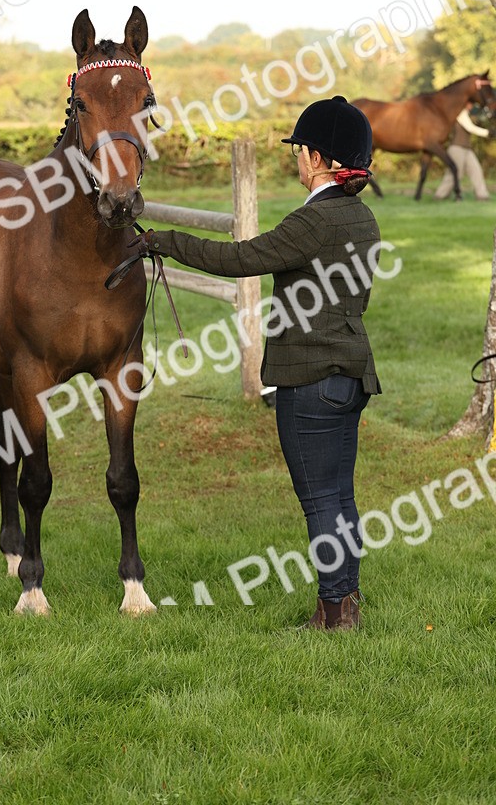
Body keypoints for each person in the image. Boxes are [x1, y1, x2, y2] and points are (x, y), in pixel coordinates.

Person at [145, 96, 381, 631]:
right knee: (341, 496)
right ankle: (345, 603)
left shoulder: (314, 220)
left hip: (309, 381)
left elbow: (240, 259)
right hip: (351, 375)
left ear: (319, 159)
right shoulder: (362, 217)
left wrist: (165, 241)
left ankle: (334, 613)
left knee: (321, 501)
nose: (297, 159)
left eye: (301, 150)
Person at [434, 103, 490, 201]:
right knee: (455, 174)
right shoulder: (460, 113)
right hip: (457, 148)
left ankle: (482, 196)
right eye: (470, 104)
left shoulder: (467, 115)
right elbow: (470, 128)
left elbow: (478, 120)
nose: (471, 106)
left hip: (467, 149)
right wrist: (487, 133)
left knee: (476, 170)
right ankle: (440, 195)